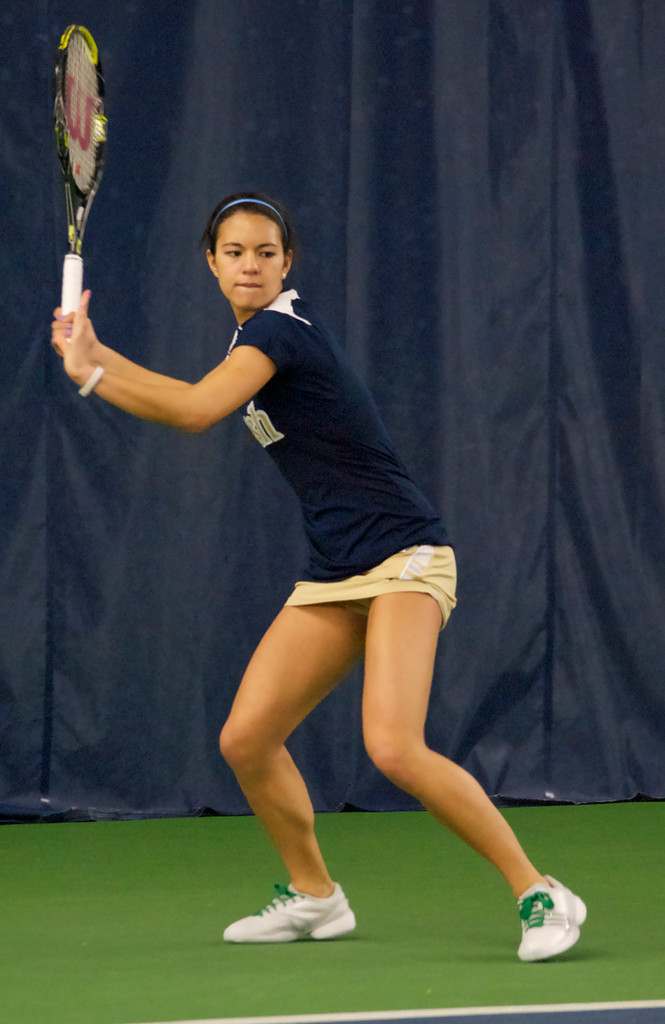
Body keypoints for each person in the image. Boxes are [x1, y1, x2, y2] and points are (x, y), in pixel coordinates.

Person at [51, 191, 586, 961]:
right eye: (234, 252)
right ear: (212, 262)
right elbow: (192, 396)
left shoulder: (280, 330)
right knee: (247, 739)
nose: (250, 264)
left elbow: (199, 409)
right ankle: (315, 895)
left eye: (266, 252)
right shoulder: (254, 338)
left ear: (286, 262)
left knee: (395, 748)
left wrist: (92, 374)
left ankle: (541, 891)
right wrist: (91, 359)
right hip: (336, 567)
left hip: (404, 555)